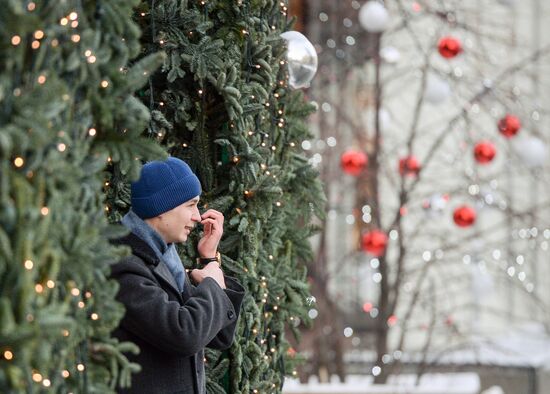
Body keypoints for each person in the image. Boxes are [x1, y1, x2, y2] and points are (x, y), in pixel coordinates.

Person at [111, 156, 245, 394]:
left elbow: (219, 336)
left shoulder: (164, 260)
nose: (197, 216)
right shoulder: (123, 266)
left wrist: (209, 258)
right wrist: (212, 282)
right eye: (190, 204)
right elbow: (185, 334)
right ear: (161, 208)